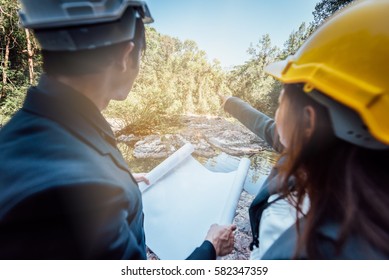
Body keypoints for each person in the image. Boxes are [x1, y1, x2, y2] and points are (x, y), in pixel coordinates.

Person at [0, 0, 235, 259]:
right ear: (125, 57)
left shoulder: (25, 133)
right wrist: (210, 248)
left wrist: (118, 176)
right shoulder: (85, 192)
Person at [220, 0, 389, 259]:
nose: (276, 115)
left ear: (308, 122)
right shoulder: (325, 154)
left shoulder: (310, 251)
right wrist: (230, 103)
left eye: (280, 104)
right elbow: (266, 127)